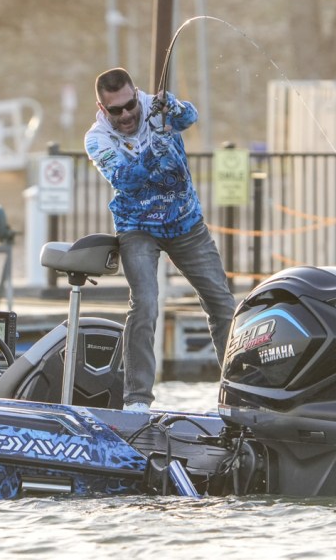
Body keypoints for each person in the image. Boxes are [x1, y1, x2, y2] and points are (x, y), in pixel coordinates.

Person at [85, 67, 236, 411]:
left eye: (129, 105)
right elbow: (125, 180)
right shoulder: (97, 139)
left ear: (136, 94)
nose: (126, 115)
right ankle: (137, 400)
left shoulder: (157, 107)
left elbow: (191, 117)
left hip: (185, 222)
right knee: (145, 304)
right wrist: (154, 149)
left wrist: (175, 108)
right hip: (137, 227)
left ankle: (239, 391)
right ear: (101, 108)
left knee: (223, 305)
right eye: (115, 110)